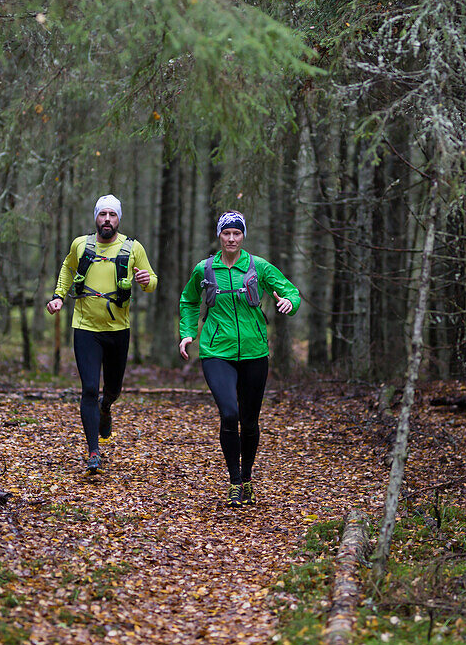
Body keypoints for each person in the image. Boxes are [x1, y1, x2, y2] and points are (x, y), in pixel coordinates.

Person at [178, 211, 300, 507]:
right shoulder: (205, 269)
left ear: (243, 236)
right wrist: (187, 333)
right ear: (219, 236)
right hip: (216, 352)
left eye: (236, 233)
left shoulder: (258, 267)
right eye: (226, 234)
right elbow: (189, 300)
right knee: (229, 414)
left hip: (255, 352)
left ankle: (247, 478)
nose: (231, 238)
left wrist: (288, 302)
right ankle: (234, 481)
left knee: (250, 420)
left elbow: (292, 292)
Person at [47, 194, 157, 473]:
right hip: (85, 327)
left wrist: (146, 280)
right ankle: (93, 451)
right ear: (96, 217)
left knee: (113, 389)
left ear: (119, 219)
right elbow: (68, 268)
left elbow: (152, 281)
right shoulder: (80, 245)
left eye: (112, 215)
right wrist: (59, 296)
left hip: (118, 329)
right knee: (88, 389)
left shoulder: (133, 248)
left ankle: (106, 407)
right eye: (102, 215)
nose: (107, 220)